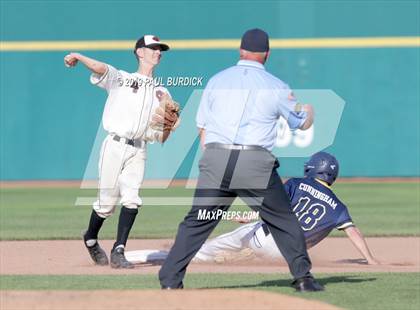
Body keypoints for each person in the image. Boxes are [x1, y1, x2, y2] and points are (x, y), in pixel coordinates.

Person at [158, 28, 322, 292]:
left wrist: (210, 160)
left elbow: (202, 126)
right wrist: (310, 113)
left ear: (241, 51)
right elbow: (300, 124)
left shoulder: (217, 81)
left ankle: (169, 281)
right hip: (254, 161)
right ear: (266, 54)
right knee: (282, 219)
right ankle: (303, 279)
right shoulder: (275, 85)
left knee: (198, 220)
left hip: (216, 157)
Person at [127, 152, 379, 265]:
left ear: (312, 168)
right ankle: (240, 255)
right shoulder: (338, 207)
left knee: (198, 252)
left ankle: (133, 257)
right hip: (288, 257)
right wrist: (371, 259)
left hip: (263, 237)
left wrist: (245, 216)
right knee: (245, 248)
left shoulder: (297, 183)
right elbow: (353, 232)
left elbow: (272, 207)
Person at [64, 35, 180, 269]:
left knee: (132, 199)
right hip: (114, 146)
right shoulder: (122, 79)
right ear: (140, 52)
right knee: (106, 205)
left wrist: (172, 122)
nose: (158, 52)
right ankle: (90, 238)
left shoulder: (162, 91)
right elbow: (100, 68)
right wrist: (77, 55)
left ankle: (119, 249)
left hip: (139, 150)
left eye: (160, 49)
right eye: (153, 48)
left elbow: (167, 125)